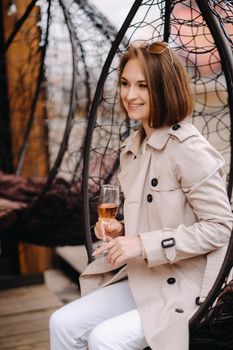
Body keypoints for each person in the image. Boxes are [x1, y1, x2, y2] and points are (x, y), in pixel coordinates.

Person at [49, 41, 233, 350]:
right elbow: (156, 215)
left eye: (142, 86)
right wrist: (121, 230)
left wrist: (142, 243)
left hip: (186, 283)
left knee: (104, 339)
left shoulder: (189, 148)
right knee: (62, 323)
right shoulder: (133, 148)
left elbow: (221, 229)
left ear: (164, 89)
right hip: (146, 273)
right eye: (125, 83)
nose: (129, 95)